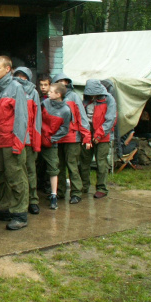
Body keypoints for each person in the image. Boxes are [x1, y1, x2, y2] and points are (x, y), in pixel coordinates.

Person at [0, 56, 29, 231]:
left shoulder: (16, 88)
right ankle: (2, 208)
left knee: (16, 178)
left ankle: (20, 214)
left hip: (12, 141)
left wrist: (18, 143)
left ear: (8, 69)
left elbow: (21, 118)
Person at [53, 73, 92, 204]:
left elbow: (82, 117)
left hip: (72, 137)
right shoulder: (52, 98)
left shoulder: (74, 96)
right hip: (58, 138)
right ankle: (60, 192)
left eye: (64, 81)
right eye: (59, 81)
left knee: (72, 166)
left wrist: (86, 137)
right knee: (59, 167)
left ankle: (76, 193)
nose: (62, 83)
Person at [79, 79, 117, 198]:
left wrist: (99, 134)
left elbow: (110, 119)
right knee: (84, 161)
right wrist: (87, 135)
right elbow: (83, 117)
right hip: (87, 132)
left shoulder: (109, 99)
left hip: (103, 134)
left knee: (101, 163)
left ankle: (102, 188)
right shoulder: (85, 101)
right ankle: (84, 186)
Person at [13, 67, 42, 215]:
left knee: (30, 171)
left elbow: (37, 119)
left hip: (28, 140)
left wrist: (36, 141)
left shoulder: (33, 93)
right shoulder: (10, 90)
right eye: (17, 76)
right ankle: (16, 202)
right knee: (15, 173)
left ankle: (33, 200)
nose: (20, 79)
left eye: (23, 77)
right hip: (14, 139)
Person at [40, 83, 71, 210]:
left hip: (50, 143)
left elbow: (64, 129)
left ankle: (54, 195)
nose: (48, 92)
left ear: (58, 94)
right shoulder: (44, 104)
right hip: (38, 139)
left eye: (51, 91)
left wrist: (52, 139)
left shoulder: (66, 111)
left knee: (53, 168)